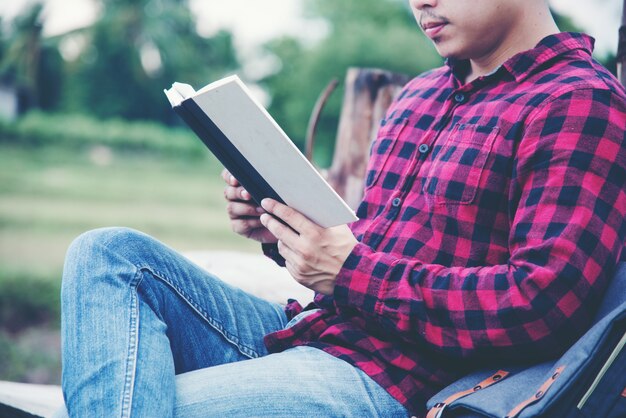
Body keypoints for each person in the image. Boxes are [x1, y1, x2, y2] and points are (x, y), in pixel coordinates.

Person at [57, 0, 626, 417]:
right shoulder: (422, 95)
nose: (419, 3)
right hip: (309, 332)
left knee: (118, 398)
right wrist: (283, 231)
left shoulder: (579, 101)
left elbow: (541, 304)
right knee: (108, 254)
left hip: (397, 381)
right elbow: (369, 246)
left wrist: (351, 272)